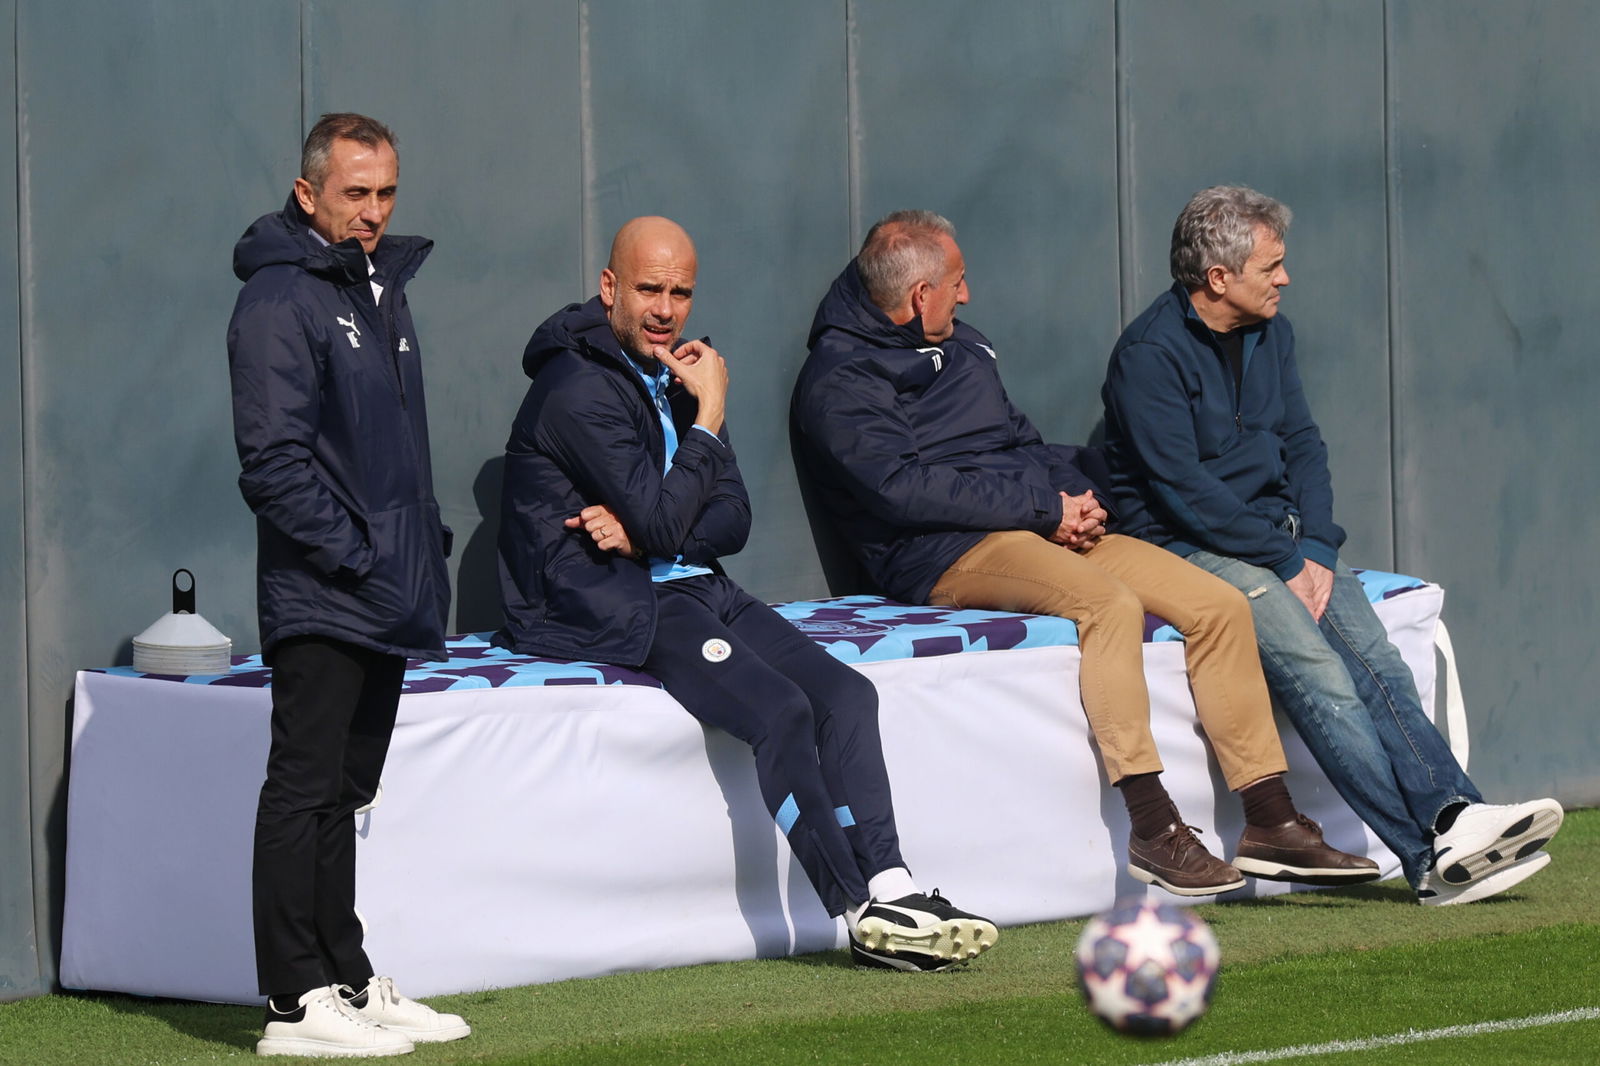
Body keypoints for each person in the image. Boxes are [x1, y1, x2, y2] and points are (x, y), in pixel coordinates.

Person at [791, 210, 1377, 898]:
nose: (968, 294)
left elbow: (1020, 443)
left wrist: (1074, 495)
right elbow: (902, 492)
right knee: (1109, 605)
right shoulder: (838, 379)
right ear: (920, 296)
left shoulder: (967, 346)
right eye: (958, 282)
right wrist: (1044, 509)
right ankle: (1155, 829)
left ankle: (1272, 822)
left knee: (1216, 604)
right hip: (940, 554)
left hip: (1035, 525)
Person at [495, 216, 996, 972]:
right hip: (609, 600)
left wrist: (653, 531)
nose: (665, 308)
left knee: (848, 695)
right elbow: (669, 512)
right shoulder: (577, 388)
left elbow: (730, 519)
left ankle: (894, 884)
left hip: (691, 581)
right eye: (648, 289)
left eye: (681, 291)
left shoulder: (676, 372)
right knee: (782, 710)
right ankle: (858, 912)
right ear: (609, 289)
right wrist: (707, 424)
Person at [1100, 184, 1564, 905]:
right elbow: (1185, 495)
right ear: (1218, 278)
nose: (1285, 279)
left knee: (1378, 663)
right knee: (1321, 675)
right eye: (1271, 267)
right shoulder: (1147, 356)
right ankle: (1425, 859)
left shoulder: (1272, 332)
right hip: (1188, 546)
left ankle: (1456, 817)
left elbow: (1303, 445)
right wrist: (1287, 560)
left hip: (1280, 540)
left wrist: (1315, 546)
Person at [229, 113, 470, 1057]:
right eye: (354, 193)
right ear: (309, 193)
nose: (372, 211)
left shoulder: (378, 288)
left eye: (386, 193)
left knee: (343, 789)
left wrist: (416, 548)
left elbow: (393, 452)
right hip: (326, 590)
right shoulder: (278, 299)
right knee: (304, 788)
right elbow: (273, 464)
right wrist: (361, 554)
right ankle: (293, 1004)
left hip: (385, 590)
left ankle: (345, 977)